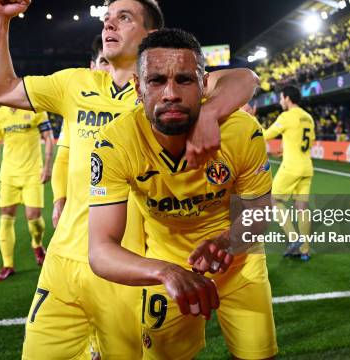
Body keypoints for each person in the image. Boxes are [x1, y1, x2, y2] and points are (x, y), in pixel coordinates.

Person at [0, 0, 259, 359]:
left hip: (131, 270)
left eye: (123, 17)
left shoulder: (165, 89)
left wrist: (210, 113)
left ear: (150, 36)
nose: (109, 24)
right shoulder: (75, 83)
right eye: (107, 18)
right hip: (65, 260)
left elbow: (243, 79)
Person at [88, 28, 277, 360]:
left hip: (239, 259)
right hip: (165, 262)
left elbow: (260, 211)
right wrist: (165, 271)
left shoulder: (241, 132)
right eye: (157, 80)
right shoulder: (115, 142)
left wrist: (228, 241)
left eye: (185, 81)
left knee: (258, 355)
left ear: (204, 85)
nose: (171, 93)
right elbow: (100, 250)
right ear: (137, 88)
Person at [0, 106, 54, 282]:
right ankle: (7, 265)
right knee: (6, 216)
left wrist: (47, 166)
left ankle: (37, 245)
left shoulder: (36, 111)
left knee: (34, 217)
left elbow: (48, 138)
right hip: (8, 176)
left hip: (33, 174)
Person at [51, 35, 111, 229]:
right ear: (92, 67)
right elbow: (63, 158)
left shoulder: (139, 104)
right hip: (77, 218)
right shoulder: (77, 105)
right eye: (104, 62)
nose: (110, 69)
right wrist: (59, 199)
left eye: (115, 63)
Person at [262, 86, 315, 261]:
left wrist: (249, 119)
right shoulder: (308, 117)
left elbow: (265, 135)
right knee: (302, 207)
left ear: (287, 98)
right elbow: (306, 141)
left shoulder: (286, 116)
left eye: (281, 98)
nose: (279, 101)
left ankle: (294, 239)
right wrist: (285, 149)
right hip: (307, 166)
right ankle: (305, 250)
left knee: (273, 200)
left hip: (291, 167)